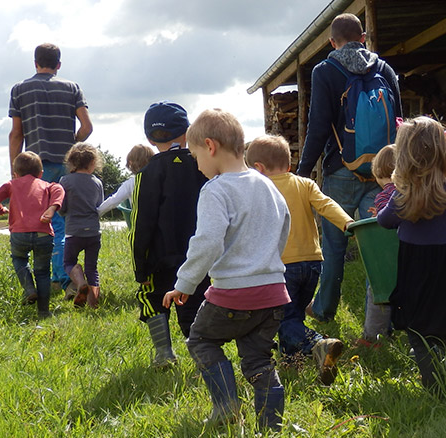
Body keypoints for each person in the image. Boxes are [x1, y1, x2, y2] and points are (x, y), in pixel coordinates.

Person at [163, 109, 291, 431]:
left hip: (233, 294)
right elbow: (283, 225)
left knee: (202, 340)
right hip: (274, 293)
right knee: (259, 359)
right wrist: (268, 265)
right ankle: (271, 426)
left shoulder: (216, 190)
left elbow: (207, 242)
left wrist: (185, 284)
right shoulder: (267, 185)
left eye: (194, 156)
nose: (197, 164)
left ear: (210, 146)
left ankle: (226, 406)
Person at [296, 13, 403, 322]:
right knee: (380, 247)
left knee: (332, 247)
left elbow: (317, 128)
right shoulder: (385, 69)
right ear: (363, 38)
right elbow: (400, 121)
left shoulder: (325, 70)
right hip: (383, 172)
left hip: (340, 170)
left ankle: (324, 309)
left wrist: (302, 174)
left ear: (332, 42)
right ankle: (380, 323)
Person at [376, 117, 446, 390]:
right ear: (443, 151)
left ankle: (435, 386)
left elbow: (384, 221)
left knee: (416, 329)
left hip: (414, 267)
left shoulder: (403, 195)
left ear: (405, 156)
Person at [245, 134, 351, 385]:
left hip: (281, 267)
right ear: (289, 164)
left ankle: (318, 344)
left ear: (258, 169)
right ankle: (295, 365)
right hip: (313, 264)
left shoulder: (259, 189)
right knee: (294, 316)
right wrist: (347, 222)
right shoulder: (305, 184)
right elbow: (326, 205)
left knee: (282, 321)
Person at [9, 43, 93, 298]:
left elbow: (17, 134)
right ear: (58, 65)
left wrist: (16, 171)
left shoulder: (20, 89)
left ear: (35, 63)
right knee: (63, 222)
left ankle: (64, 281)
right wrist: (72, 147)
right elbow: (87, 127)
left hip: (36, 168)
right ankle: (66, 276)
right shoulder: (72, 88)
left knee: (47, 224)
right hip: (67, 164)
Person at [130, 102, 209, 367]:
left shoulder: (147, 173)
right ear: (187, 133)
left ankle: (163, 352)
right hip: (199, 254)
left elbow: (141, 222)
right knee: (194, 303)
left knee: (152, 298)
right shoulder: (203, 167)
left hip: (159, 256)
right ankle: (203, 358)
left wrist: (140, 266)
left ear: (149, 139)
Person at [0, 151, 65, 318]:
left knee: (19, 259)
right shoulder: (45, 185)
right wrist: (52, 208)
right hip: (43, 233)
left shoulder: (11, 184)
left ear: (15, 173)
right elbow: (59, 189)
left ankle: (29, 289)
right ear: (41, 173)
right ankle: (44, 312)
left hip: (19, 234)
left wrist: (0, 210)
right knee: (43, 272)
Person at [58, 142, 104, 309]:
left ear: (72, 162)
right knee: (92, 268)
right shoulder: (97, 182)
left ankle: (79, 281)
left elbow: (61, 208)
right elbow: (100, 206)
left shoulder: (65, 181)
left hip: (73, 231)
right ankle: (93, 304)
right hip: (93, 231)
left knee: (69, 263)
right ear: (93, 163)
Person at [359, 144, 396, 348]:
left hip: (387, 254)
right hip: (411, 252)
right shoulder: (411, 191)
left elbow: (385, 222)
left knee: (377, 293)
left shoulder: (384, 195)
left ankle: (373, 337)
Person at [97, 144, 155, 216]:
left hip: (141, 222)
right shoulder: (161, 179)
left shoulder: (131, 184)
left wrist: (97, 212)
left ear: (130, 162)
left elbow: (113, 201)